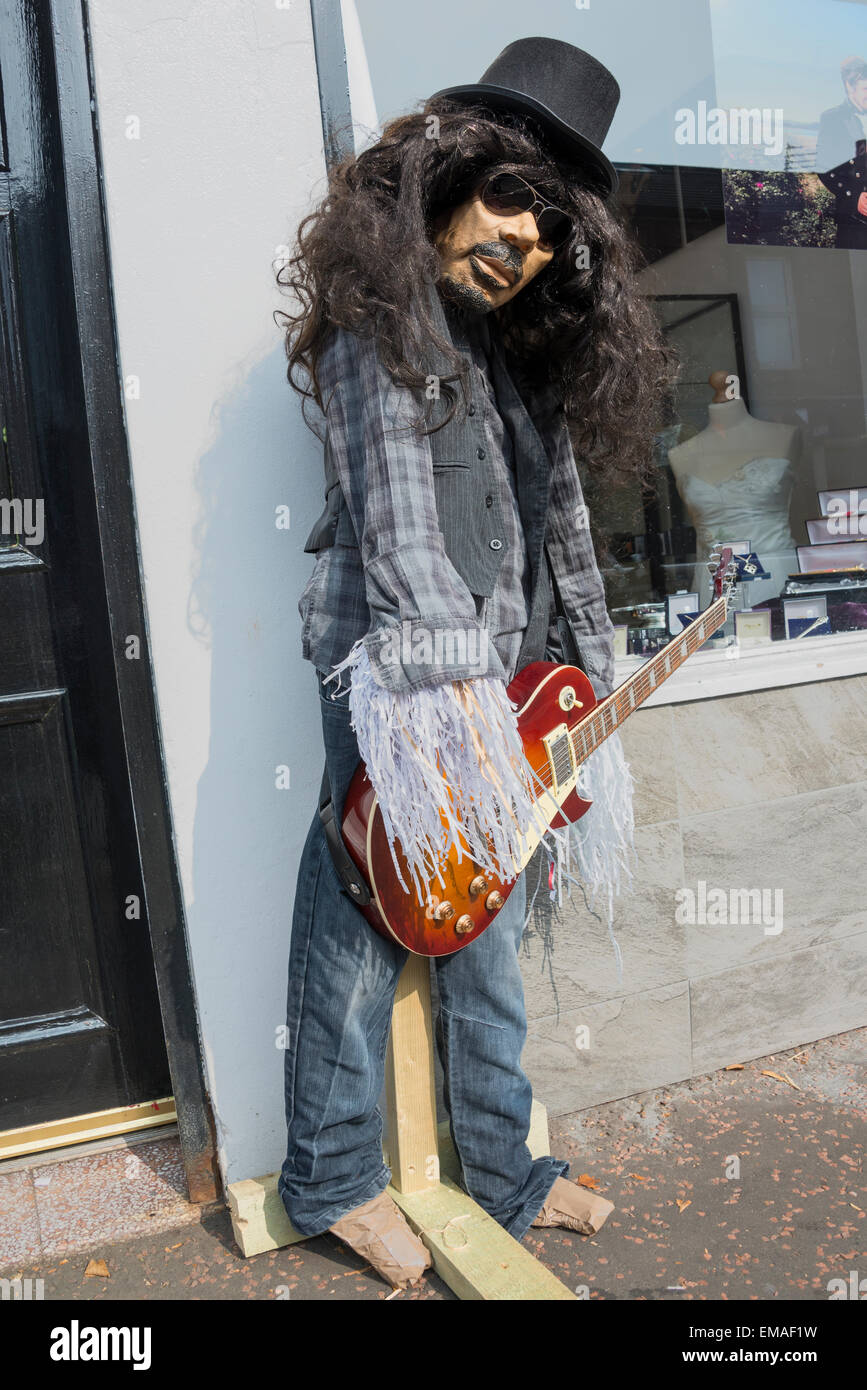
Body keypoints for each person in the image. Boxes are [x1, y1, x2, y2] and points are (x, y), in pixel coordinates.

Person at [275, 38, 674, 1290]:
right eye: (512, 201)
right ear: (450, 175)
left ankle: (503, 1166)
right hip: (404, 688)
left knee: (487, 930)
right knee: (361, 926)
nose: (528, 240)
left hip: (502, 698)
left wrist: (583, 676)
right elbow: (396, 516)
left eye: (556, 228)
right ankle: (330, 1181)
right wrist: (454, 722)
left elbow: (558, 529)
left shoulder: (517, 357)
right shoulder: (379, 319)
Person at [816, 55, 867, 250]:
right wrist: (855, 197)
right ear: (849, 86)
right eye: (865, 89)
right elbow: (825, 168)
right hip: (856, 222)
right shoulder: (833, 118)